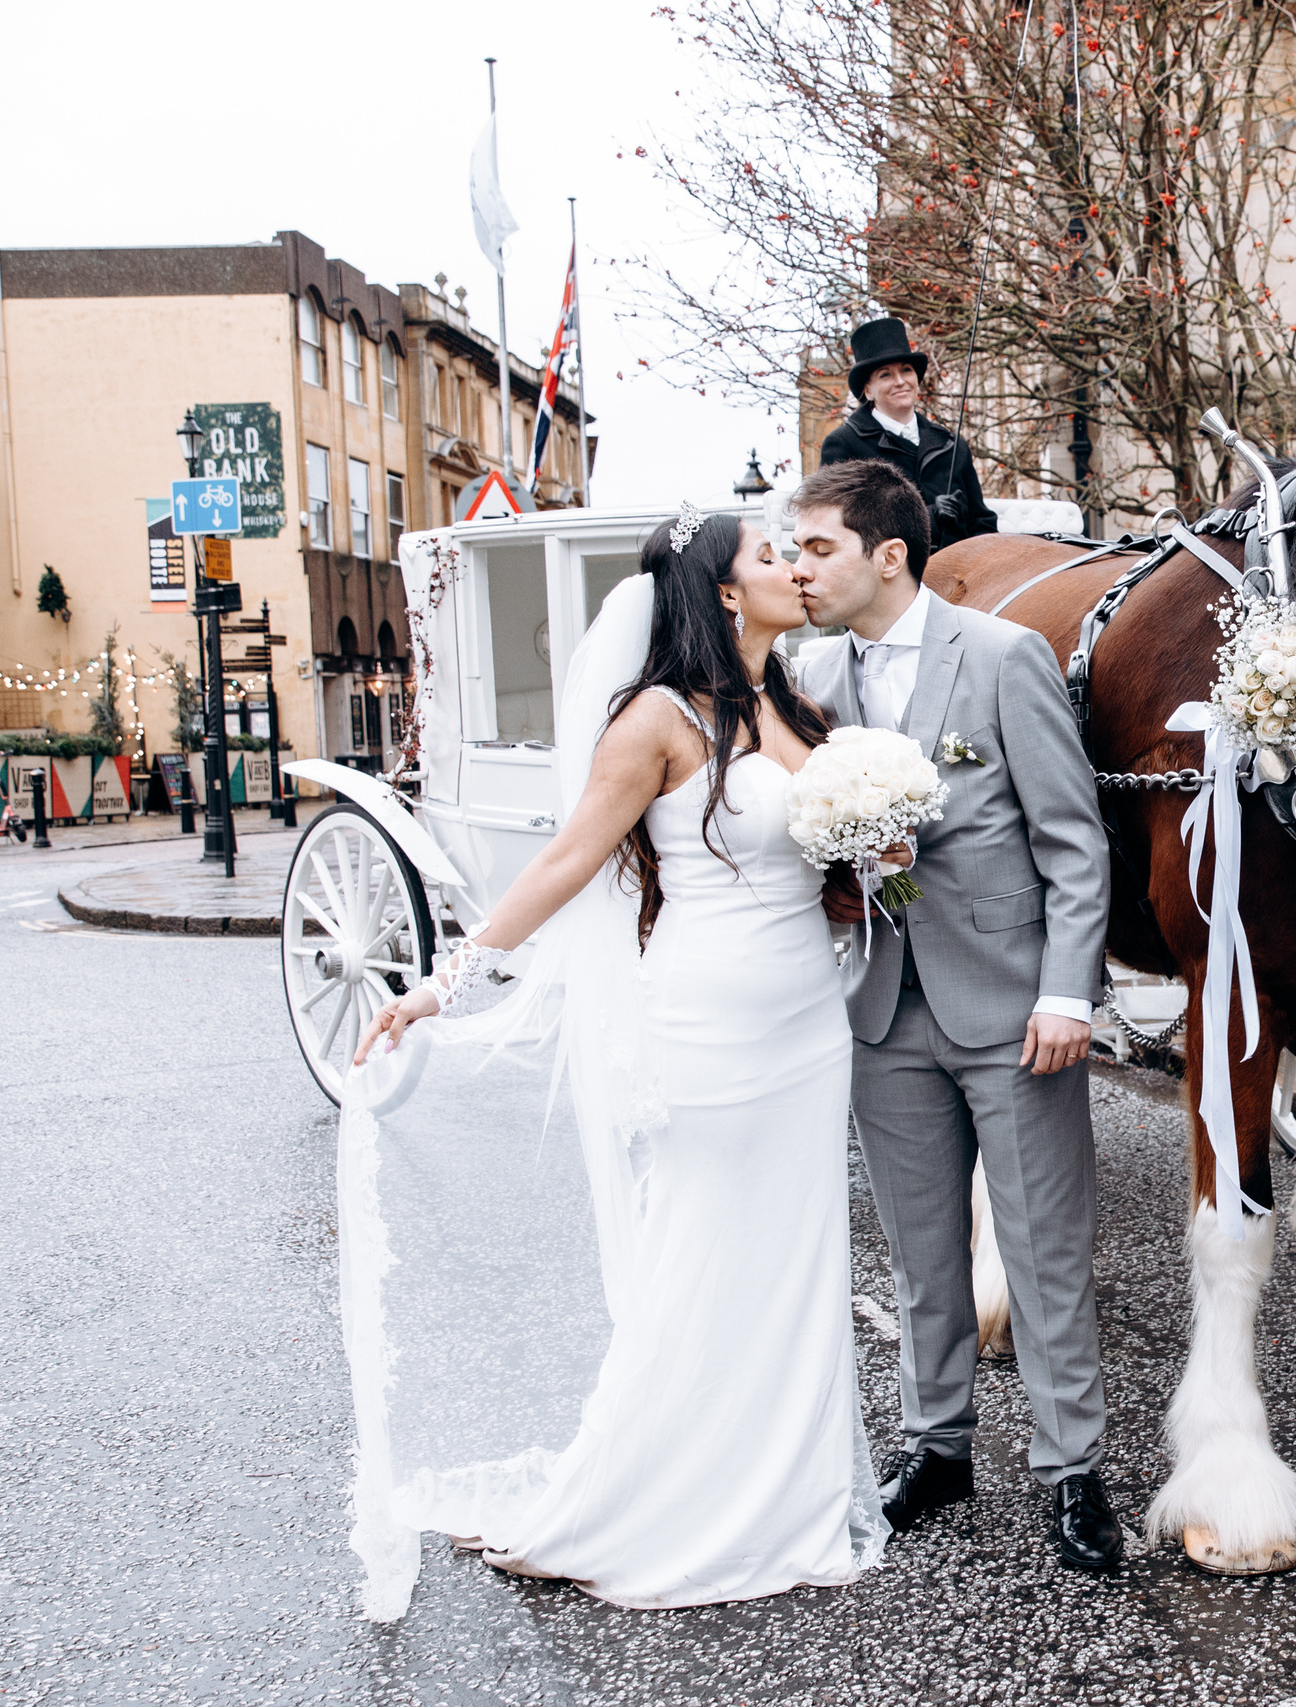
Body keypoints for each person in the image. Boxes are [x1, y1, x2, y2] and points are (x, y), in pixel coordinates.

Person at [336, 505, 888, 1617]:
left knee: (795, 1258)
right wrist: (449, 981)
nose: (790, 565)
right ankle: (642, 1497)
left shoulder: (795, 703)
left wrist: (885, 838)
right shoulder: (657, 720)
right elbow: (566, 861)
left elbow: (830, 858)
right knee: (704, 1255)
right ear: (726, 594)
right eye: (769, 555)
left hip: (804, 1026)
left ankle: (784, 1494)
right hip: (709, 1023)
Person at [787, 457, 1125, 1572]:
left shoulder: (1000, 657)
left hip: (1014, 1011)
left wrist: (1068, 991)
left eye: (817, 548)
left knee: (1040, 1249)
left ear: (887, 555)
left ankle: (1072, 1469)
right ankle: (937, 1445)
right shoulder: (808, 675)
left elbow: (1074, 844)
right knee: (920, 1253)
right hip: (882, 1009)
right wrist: (841, 873)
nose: (799, 568)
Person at [817, 316, 999, 556]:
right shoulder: (843, 445)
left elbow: (981, 522)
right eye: (886, 375)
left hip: (960, 576)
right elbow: (839, 526)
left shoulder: (951, 445)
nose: (900, 381)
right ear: (868, 390)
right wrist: (927, 517)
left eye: (906, 371)